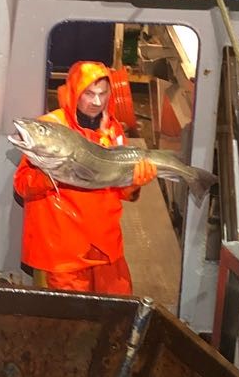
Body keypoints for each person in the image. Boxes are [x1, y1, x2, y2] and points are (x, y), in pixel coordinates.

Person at [12, 60, 158, 294]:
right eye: (89, 93)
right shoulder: (50, 128)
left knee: (117, 315)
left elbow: (120, 192)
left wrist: (135, 183)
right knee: (69, 324)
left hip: (106, 248)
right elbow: (22, 185)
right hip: (63, 254)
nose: (97, 101)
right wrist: (53, 174)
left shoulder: (113, 130)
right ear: (74, 92)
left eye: (103, 94)